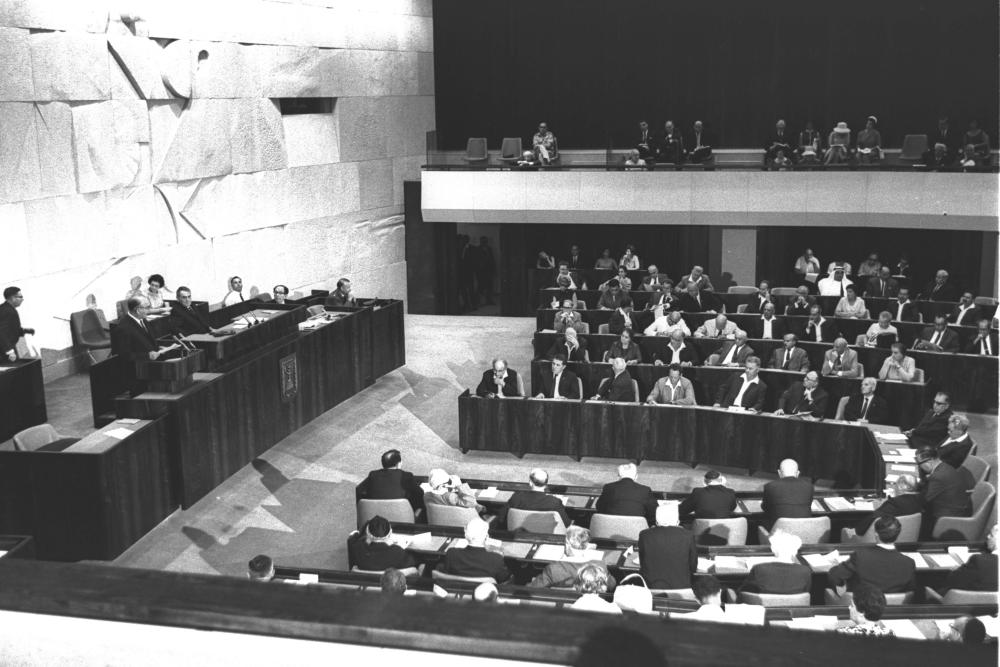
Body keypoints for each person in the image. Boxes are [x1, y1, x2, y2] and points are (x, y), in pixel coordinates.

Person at [110, 297, 179, 395]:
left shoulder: (142, 319)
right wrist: (147, 356)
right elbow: (124, 355)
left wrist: (158, 348)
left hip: (151, 365)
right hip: (138, 373)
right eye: (147, 307)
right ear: (138, 310)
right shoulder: (124, 328)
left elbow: (146, 341)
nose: (149, 310)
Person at [828, 516, 915, 594]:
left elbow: (834, 576)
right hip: (894, 610)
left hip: (862, 606)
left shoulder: (860, 556)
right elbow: (911, 591)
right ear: (897, 534)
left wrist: (844, 587)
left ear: (876, 534)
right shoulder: (909, 563)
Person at [915, 446, 972, 537]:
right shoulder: (944, 466)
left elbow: (923, 500)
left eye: (919, 464)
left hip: (947, 516)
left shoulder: (938, 477)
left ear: (929, 462)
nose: (919, 466)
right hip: (958, 506)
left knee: (912, 510)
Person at [636, 504, 696, 589]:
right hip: (682, 588)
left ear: (656, 522)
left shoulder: (644, 535)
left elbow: (643, 563)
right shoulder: (688, 536)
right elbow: (693, 566)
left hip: (650, 588)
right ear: (677, 522)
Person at [529, 526, 610, 589]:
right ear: (587, 545)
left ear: (567, 544)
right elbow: (611, 585)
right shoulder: (600, 566)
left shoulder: (553, 570)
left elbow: (532, 589)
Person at [848, 474, 924, 536]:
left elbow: (873, 518)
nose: (894, 487)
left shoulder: (895, 503)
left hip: (885, 538)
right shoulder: (920, 501)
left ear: (901, 486)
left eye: (895, 484)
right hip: (910, 540)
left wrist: (856, 529)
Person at [739, 530, 810, 595]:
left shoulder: (759, 569)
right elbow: (806, 593)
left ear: (773, 549)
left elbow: (744, 593)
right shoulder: (805, 571)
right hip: (794, 608)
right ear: (795, 551)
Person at [439, 518, 509, 582]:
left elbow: (446, 574)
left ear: (466, 535)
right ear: (486, 536)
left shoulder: (451, 553)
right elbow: (503, 579)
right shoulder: (496, 559)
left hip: (457, 592)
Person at [499, 468, 571, 529]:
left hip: (519, 534)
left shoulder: (517, 497)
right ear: (546, 484)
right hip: (546, 536)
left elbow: (501, 518)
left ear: (530, 482)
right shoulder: (554, 502)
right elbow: (566, 524)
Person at [348, 516, 419, 575]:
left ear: (367, 532)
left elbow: (353, 540)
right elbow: (414, 562)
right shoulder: (398, 552)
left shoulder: (358, 550)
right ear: (390, 533)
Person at [358, 449, 422, 510]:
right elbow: (420, 495)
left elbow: (359, 491)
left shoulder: (373, 475)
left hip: (375, 517)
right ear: (398, 464)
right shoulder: (407, 476)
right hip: (402, 518)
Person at [942, 524, 997, 593]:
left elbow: (952, 581)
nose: (988, 537)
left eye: (991, 535)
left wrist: (959, 569)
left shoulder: (978, 560)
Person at [761, 459, 813, 527]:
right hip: (804, 533)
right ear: (798, 473)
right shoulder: (809, 487)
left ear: (779, 473)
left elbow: (765, 508)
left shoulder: (770, 486)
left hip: (779, 534)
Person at [0, 287, 35, 362]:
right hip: (5, 351)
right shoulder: (8, 311)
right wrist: (10, 351)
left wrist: (24, 330)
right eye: (20, 297)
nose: (22, 299)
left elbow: (9, 328)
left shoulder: (5, 308)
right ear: (13, 298)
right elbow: (1, 332)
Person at [477, 236, 496, 306]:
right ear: (481, 242)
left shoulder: (489, 249)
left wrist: (494, 269)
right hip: (481, 271)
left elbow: (492, 259)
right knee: (481, 286)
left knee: (490, 286)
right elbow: (477, 261)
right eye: (483, 241)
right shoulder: (478, 249)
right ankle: (480, 302)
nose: (484, 242)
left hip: (489, 271)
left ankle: (489, 300)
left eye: (485, 241)